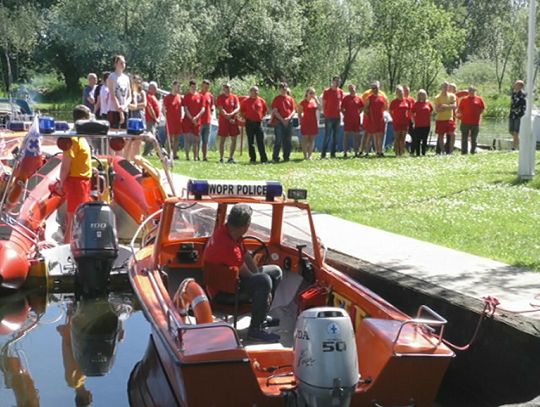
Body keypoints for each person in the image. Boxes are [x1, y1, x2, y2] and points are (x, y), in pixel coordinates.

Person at [203, 204, 282, 342]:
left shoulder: (228, 232)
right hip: (224, 294)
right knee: (264, 281)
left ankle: (261, 316)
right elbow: (248, 275)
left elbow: (246, 256)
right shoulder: (228, 246)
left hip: (231, 282)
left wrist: (258, 273)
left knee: (275, 272)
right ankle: (255, 330)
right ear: (246, 225)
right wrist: (266, 290)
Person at [59, 105, 93, 243]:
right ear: (83, 119)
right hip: (76, 182)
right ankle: (67, 244)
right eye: (89, 117)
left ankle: (79, 242)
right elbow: (66, 163)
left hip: (83, 182)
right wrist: (61, 183)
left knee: (80, 216)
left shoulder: (81, 137)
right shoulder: (73, 139)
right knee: (73, 216)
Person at [240, 86, 269, 164]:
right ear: (250, 92)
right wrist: (246, 118)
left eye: (257, 91)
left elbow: (265, 110)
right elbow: (242, 111)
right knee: (251, 142)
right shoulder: (245, 101)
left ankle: (264, 159)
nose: (256, 92)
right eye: (254, 91)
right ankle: (253, 158)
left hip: (259, 123)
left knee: (260, 141)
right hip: (249, 123)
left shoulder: (261, 101)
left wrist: (261, 117)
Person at [362, 81, 388, 157]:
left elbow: (385, 107)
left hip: (380, 119)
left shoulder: (382, 98)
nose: (374, 89)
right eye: (373, 88)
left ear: (378, 88)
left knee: (379, 136)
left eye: (376, 88)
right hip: (372, 120)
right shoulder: (369, 98)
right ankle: (366, 152)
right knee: (369, 136)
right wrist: (368, 115)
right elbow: (365, 109)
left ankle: (379, 151)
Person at [271, 82, 296, 163]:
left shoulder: (290, 99)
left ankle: (286, 157)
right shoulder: (277, 99)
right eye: (282, 89)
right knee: (278, 140)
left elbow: (293, 110)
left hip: (289, 121)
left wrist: (288, 118)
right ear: (280, 89)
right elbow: (275, 111)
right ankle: (275, 157)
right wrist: (282, 120)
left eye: (285, 89)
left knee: (288, 140)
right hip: (279, 121)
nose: (284, 90)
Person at [216, 83, 240, 163]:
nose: (227, 89)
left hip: (233, 121)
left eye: (228, 87)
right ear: (223, 89)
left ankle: (231, 157)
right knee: (222, 139)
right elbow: (220, 108)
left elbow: (238, 107)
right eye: (225, 87)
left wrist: (232, 114)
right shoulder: (220, 97)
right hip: (224, 121)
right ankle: (221, 157)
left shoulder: (234, 97)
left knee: (234, 139)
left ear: (231, 88)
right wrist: (227, 115)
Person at [321, 76, 344, 158]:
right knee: (327, 135)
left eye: (339, 81)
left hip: (337, 116)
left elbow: (341, 103)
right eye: (336, 81)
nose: (337, 83)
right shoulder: (327, 91)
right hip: (329, 116)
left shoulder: (340, 92)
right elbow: (323, 104)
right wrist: (325, 114)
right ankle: (323, 153)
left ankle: (333, 153)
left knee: (336, 136)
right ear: (333, 81)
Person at [182, 80, 206, 161]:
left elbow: (203, 109)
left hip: (197, 121)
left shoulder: (200, 96)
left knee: (197, 140)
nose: (194, 88)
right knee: (188, 139)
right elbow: (185, 109)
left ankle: (196, 156)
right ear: (190, 87)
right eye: (192, 86)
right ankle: (187, 156)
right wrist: (192, 118)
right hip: (187, 121)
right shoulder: (186, 96)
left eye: (195, 86)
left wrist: (196, 117)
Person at [458, 86, 485, 154]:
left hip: (475, 122)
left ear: (475, 91)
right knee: (464, 138)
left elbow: (482, 108)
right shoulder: (464, 99)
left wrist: (478, 114)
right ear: (468, 91)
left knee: (474, 138)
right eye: (470, 90)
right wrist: (460, 116)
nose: (471, 92)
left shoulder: (479, 99)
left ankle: (473, 151)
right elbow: (460, 109)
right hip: (465, 122)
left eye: (473, 90)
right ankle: (464, 152)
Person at [107, 55, 131, 129]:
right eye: (121, 63)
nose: (123, 65)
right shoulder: (112, 77)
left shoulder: (126, 78)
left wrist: (124, 106)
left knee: (125, 134)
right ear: (115, 64)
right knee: (114, 134)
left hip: (125, 109)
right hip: (114, 110)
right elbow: (113, 95)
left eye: (124, 63)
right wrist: (120, 112)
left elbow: (129, 96)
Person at [126, 75, 147, 160]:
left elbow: (144, 104)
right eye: (135, 81)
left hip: (139, 116)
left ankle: (137, 158)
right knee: (129, 139)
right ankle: (128, 158)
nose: (137, 83)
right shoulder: (129, 92)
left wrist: (133, 106)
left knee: (139, 140)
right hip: (130, 116)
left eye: (138, 81)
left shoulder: (142, 92)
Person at [341, 84, 364, 158]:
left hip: (356, 120)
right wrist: (345, 114)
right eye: (350, 89)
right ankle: (345, 152)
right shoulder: (346, 98)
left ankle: (356, 152)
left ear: (355, 89)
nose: (352, 90)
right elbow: (342, 108)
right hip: (348, 120)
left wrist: (358, 113)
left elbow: (362, 107)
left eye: (353, 88)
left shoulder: (359, 98)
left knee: (356, 136)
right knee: (346, 136)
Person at [434, 81, 456, 155]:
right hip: (440, 119)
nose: (446, 88)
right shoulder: (437, 97)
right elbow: (437, 109)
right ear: (442, 87)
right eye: (444, 86)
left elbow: (454, 106)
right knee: (441, 135)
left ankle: (451, 151)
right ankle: (443, 151)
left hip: (449, 118)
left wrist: (444, 106)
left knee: (453, 134)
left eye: (447, 86)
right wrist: (448, 106)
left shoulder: (452, 96)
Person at [163, 80, 183, 160]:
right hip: (170, 121)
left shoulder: (179, 97)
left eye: (179, 87)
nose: (178, 88)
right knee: (170, 138)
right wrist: (166, 117)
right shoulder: (167, 97)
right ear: (173, 86)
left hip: (178, 121)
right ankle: (168, 153)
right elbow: (163, 109)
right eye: (178, 86)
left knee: (177, 138)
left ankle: (175, 154)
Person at [297, 87, 319, 160]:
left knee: (312, 139)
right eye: (311, 93)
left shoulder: (314, 102)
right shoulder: (303, 102)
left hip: (313, 122)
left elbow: (320, 108)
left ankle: (310, 155)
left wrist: (316, 99)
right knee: (305, 139)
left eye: (313, 93)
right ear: (307, 93)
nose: (312, 94)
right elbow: (299, 113)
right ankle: (305, 155)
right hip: (305, 122)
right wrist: (301, 121)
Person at [390, 86, 411, 157]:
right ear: (396, 93)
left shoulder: (407, 101)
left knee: (403, 138)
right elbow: (390, 111)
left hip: (405, 122)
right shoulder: (394, 102)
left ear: (403, 92)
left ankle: (402, 152)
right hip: (397, 122)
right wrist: (393, 118)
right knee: (397, 138)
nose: (400, 93)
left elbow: (410, 111)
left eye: (401, 91)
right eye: (398, 92)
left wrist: (409, 118)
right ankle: (397, 153)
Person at [411, 90, 433, 156]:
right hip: (418, 125)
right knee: (418, 140)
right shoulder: (416, 104)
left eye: (424, 94)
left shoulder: (428, 104)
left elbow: (431, 112)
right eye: (421, 95)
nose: (422, 96)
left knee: (424, 139)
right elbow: (411, 113)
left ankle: (423, 153)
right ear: (419, 96)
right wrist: (413, 121)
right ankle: (418, 153)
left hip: (426, 124)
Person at [142, 81, 161, 157]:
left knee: (153, 136)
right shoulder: (148, 96)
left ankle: (150, 152)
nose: (156, 90)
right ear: (151, 88)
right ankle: (145, 153)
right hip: (150, 120)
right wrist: (155, 118)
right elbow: (150, 108)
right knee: (150, 137)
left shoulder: (153, 96)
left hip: (153, 120)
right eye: (155, 88)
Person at [199, 79, 214, 161]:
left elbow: (212, 107)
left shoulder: (210, 96)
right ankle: (196, 156)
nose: (206, 88)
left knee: (206, 140)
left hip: (208, 121)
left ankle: (205, 156)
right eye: (205, 86)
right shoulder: (198, 94)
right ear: (202, 86)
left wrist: (211, 114)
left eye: (207, 87)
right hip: (200, 121)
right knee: (198, 140)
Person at [509, 79, 526, 150]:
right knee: (511, 131)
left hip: (518, 115)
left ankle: (514, 147)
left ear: (520, 86)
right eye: (515, 84)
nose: (515, 85)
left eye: (516, 84)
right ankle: (518, 143)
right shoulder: (513, 93)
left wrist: (521, 114)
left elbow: (524, 105)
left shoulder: (523, 94)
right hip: (512, 114)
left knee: (516, 131)